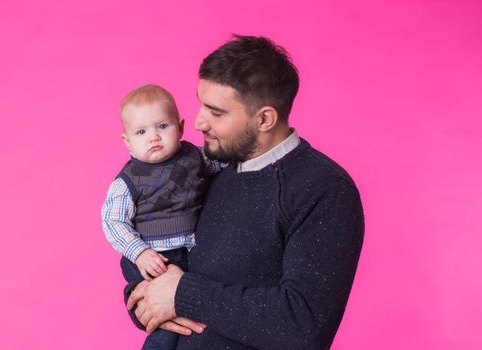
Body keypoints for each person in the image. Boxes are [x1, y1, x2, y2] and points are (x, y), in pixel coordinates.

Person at [127, 35, 365, 349]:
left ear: (264, 118)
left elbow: (303, 324)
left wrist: (182, 295)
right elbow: (158, 244)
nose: (198, 122)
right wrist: (142, 295)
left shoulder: (325, 190)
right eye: (201, 104)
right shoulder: (208, 169)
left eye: (217, 112)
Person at [101, 84, 221, 349]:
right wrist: (139, 252)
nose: (153, 137)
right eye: (142, 132)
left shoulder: (193, 157)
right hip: (153, 258)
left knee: (196, 316)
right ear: (127, 141)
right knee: (164, 323)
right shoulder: (130, 179)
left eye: (162, 127)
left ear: (180, 126)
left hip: (190, 251)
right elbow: (113, 221)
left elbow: (222, 167)